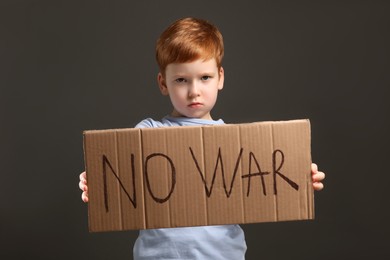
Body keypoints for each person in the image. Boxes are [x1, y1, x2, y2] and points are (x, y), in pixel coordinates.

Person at [78, 17, 325, 259]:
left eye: (205, 78)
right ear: (163, 83)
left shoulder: (234, 142)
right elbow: (119, 166)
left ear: (220, 78)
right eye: (181, 80)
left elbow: (271, 176)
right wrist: (98, 182)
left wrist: (299, 177)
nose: (194, 91)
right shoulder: (148, 132)